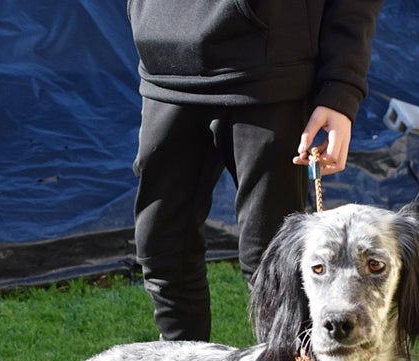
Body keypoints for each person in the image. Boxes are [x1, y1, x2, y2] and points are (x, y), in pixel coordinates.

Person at [128, 0, 386, 341]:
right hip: (164, 70)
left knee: (271, 262)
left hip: (270, 76)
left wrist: (341, 90)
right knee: (163, 251)